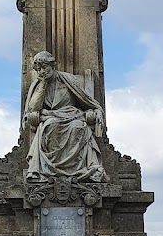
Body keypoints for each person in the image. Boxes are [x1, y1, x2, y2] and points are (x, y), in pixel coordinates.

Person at [23, 51, 106, 183]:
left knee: (79, 126)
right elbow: (33, 109)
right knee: (51, 124)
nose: (42, 71)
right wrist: (42, 86)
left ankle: (78, 169)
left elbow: (85, 101)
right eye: (38, 69)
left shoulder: (69, 80)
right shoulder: (38, 85)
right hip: (52, 118)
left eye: (44, 67)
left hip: (72, 116)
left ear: (52, 66)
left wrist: (95, 111)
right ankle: (51, 169)